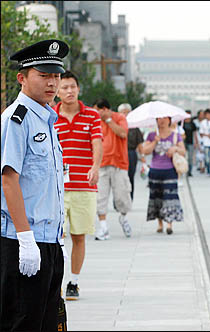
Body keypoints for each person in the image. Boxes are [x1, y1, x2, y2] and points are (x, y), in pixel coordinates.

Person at [1, 39, 69, 331]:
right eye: (43, 75)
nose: (52, 82)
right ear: (22, 77)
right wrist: (26, 239)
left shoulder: (47, 121)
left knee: (47, 323)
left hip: (50, 241)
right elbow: (8, 179)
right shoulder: (17, 120)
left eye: (56, 75)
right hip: (23, 242)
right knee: (22, 323)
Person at [54, 70, 103, 301]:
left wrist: (95, 167)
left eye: (72, 86)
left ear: (78, 88)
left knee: (79, 236)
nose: (69, 91)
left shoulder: (92, 116)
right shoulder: (50, 116)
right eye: (64, 87)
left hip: (84, 186)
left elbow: (97, 143)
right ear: (57, 91)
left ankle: (73, 281)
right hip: (57, 189)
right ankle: (57, 283)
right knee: (57, 237)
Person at [93, 98, 132, 240]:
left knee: (121, 196)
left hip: (119, 164)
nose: (96, 113)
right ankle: (103, 227)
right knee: (100, 197)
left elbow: (123, 133)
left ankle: (123, 218)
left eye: (98, 110)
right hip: (101, 164)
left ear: (105, 109)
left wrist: (109, 120)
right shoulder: (94, 121)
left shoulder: (119, 117)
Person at [142, 117, 186, 234]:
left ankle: (169, 224)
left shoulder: (175, 135)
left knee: (170, 197)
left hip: (170, 170)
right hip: (155, 170)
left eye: (164, 118)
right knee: (157, 198)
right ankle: (159, 223)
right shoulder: (151, 135)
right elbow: (145, 151)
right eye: (159, 119)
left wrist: (175, 148)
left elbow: (183, 151)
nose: (161, 121)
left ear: (169, 120)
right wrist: (155, 142)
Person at [118, 103, 145, 201]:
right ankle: (118, 199)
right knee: (118, 178)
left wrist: (142, 156)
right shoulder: (115, 125)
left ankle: (130, 198)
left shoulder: (134, 127)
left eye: (127, 112)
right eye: (123, 112)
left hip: (131, 153)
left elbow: (140, 144)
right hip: (118, 154)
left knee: (130, 176)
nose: (125, 114)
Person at [183, 110, 198, 177]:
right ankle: (183, 170)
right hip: (183, 142)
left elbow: (195, 133)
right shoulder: (181, 123)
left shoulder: (192, 123)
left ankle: (189, 171)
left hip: (190, 142)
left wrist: (196, 142)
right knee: (183, 157)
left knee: (190, 158)